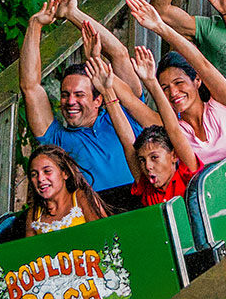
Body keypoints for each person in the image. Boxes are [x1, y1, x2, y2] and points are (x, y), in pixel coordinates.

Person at [20, 0, 159, 196]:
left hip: (143, 202)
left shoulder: (126, 112)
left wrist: (73, 13)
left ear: (98, 100)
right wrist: (35, 24)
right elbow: (30, 87)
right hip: (98, 217)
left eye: (79, 94)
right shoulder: (58, 140)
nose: (70, 101)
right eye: (65, 94)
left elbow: (119, 54)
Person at [127, 0, 226, 164]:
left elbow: (202, 64)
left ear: (197, 81)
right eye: (165, 88)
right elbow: (131, 101)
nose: (173, 92)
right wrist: (151, 82)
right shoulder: (175, 130)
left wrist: (161, 27)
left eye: (179, 83)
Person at [86, 53, 204, 207]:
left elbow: (174, 129)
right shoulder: (146, 187)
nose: (147, 166)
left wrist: (151, 81)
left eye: (154, 157)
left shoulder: (187, 175)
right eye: (142, 160)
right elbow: (127, 143)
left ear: (173, 155)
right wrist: (107, 93)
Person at [24, 144, 109, 236]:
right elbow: (30, 248)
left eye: (47, 171)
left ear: (65, 173)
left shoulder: (81, 197)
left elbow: (102, 235)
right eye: (34, 174)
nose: (40, 179)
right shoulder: (34, 214)